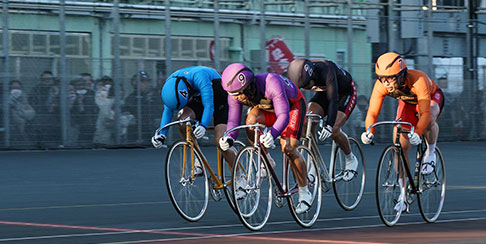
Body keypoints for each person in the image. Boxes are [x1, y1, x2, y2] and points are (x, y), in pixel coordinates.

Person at [218, 63, 313, 212]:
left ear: (248, 87)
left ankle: (304, 190)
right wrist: (229, 137)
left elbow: (283, 116)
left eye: (238, 94)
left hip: (292, 108)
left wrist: (272, 134)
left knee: (288, 148)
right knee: (250, 122)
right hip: (269, 110)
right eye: (232, 94)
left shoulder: (271, 83)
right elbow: (233, 121)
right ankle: (267, 159)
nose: (235, 98)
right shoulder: (235, 94)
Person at [361, 52, 445, 212]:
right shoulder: (381, 85)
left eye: (390, 78)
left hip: (430, 98)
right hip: (407, 103)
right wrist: (369, 131)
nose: (385, 83)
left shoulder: (417, 80)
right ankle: (403, 194)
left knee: (427, 117)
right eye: (382, 78)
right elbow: (372, 112)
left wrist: (418, 133)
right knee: (399, 144)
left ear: (401, 75)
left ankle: (431, 151)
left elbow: (426, 114)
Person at [151, 66, 233, 170]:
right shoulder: (171, 85)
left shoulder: (200, 77)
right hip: (197, 95)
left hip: (219, 96)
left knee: (220, 141)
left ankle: (239, 175)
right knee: (182, 122)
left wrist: (203, 125)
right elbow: (167, 111)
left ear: (187, 91)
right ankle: (198, 159)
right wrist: (161, 135)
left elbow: (209, 106)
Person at [286, 58, 359, 173]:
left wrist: (329, 125)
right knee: (306, 123)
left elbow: (333, 101)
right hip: (324, 93)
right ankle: (315, 165)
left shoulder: (326, 70)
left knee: (334, 129)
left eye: (306, 85)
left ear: (312, 77)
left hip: (344, 93)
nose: (305, 88)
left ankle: (350, 158)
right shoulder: (300, 75)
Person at [123, 71, 161, 144]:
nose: (147, 84)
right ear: (135, 83)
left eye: (147, 82)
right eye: (143, 82)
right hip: (136, 136)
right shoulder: (130, 99)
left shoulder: (155, 96)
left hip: (154, 134)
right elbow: (130, 117)